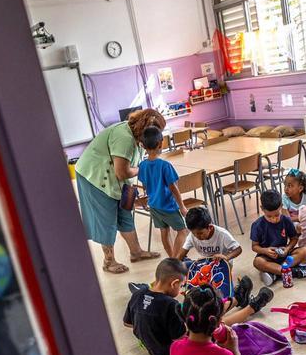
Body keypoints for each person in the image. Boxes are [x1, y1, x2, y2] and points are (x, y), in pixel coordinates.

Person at [124, 259, 274, 355]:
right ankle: (251, 306)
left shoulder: (138, 294)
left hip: (153, 348)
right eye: (181, 285)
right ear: (174, 283)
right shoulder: (169, 304)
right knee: (206, 323)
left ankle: (238, 298)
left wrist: (150, 328)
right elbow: (181, 336)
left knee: (201, 312)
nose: (181, 288)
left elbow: (128, 323)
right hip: (169, 352)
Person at [75, 108, 165, 274]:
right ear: (143, 128)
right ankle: (109, 262)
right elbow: (122, 172)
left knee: (126, 213)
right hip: (96, 177)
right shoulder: (124, 137)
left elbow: (128, 169)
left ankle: (136, 252)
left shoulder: (138, 136)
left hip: (122, 180)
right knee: (107, 219)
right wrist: (144, 167)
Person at [137, 126, 188, 258]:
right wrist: (182, 206)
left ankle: (172, 257)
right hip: (168, 205)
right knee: (182, 231)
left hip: (154, 205)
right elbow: (173, 188)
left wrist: (148, 199)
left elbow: (145, 186)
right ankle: (176, 260)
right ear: (161, 143)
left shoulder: (142, 165)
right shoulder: (165, 165)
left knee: (164, 231)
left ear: (143, 146)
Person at [249, 190, 306, 287]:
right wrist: (265, 250)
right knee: (257, 262)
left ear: (281, 206)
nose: (274, 219)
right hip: (267, 257)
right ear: (262, 209)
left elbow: (294, 238)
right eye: (269, 216)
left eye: (277, 215)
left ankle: (276, 274)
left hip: (285, 255)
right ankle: (294, 272)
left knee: (305, 251)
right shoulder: (257, 225)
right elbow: (254, 246)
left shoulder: (286, 220)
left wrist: (287, 248)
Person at [177, 206, 242, 301]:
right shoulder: (193, 236)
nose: (197, 236)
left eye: (200, 233)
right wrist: (173, 271)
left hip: (222, 264)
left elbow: (238, 249)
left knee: (224, 295)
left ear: (210, 227)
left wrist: (226, 257)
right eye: (194, 233)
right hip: (205, 264)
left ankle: (239, 293)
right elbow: (180, 255)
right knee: (182, 266)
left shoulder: (222, 234)